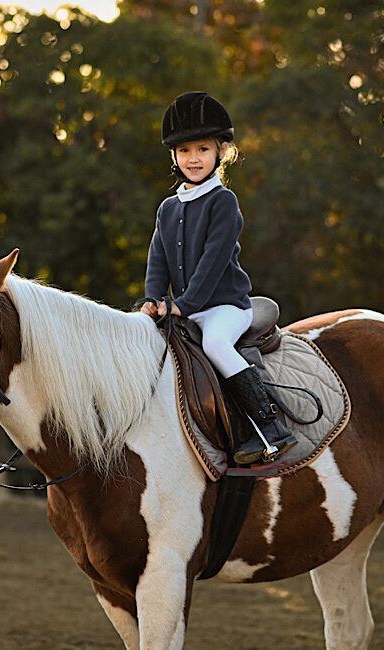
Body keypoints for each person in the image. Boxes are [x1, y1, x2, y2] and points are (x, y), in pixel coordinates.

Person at [141, 91, 297, 464]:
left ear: (222, 151)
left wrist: (184, 304)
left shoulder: (223, 202)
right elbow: (158, 256)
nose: (193, 159)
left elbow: (213, 261)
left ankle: (269, 425)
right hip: (186, 308)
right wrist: (151, 297)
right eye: (184, 151)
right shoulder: (168, 208)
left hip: (225, 307)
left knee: (215, 346)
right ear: (174, 156)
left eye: (202, 149)